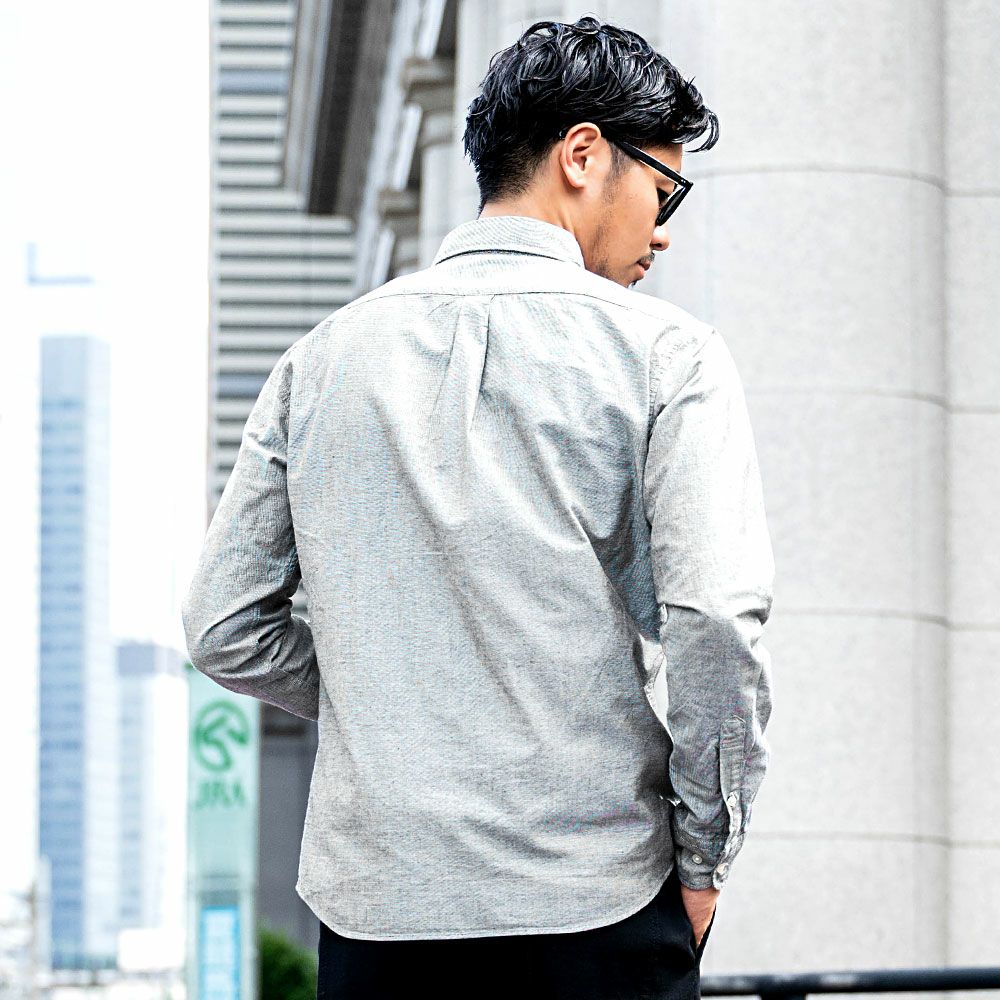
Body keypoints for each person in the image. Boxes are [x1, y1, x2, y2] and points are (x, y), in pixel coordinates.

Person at [181, 15, 775, 1000]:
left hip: (378, 918)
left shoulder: (318, 361)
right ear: (583, 155)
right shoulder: (668, 355)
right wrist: (706, 855)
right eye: (662, 189)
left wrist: (396, 686)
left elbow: (222, 626)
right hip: (595, 904)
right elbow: (713, 618)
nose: (664, 227)